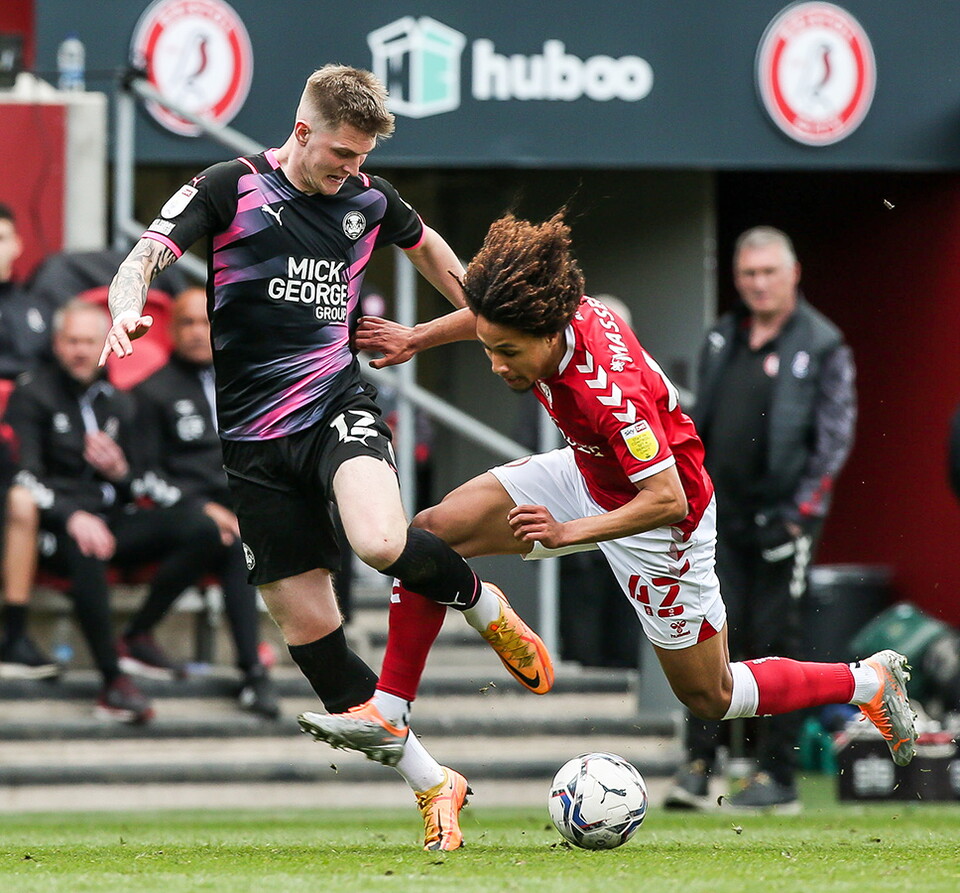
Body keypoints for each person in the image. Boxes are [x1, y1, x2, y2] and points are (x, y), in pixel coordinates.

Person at [301, 210, 916, 798]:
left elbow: (667, 498)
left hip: (662, 525)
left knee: (711, 695)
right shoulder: (545, 312)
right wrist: (418, 336)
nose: (495, 364)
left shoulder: (609, 395)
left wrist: (566, 533)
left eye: (508, 352)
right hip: (589, 472)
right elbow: (488, 319)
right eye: (492, 347)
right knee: (431, 533)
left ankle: (867, 681)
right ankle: (391, 710)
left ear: (547, 335)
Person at [98, 65, 553, 850]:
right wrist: (127, 308)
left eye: (362, 156)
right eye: (341, 152)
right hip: (253, 444)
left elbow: (443, 264)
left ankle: (483, 604)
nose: (351, 168)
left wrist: (474, 325)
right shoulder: (229, 186)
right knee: (312, 636)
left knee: (380, 540)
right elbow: (142, 257)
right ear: (302, 131)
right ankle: (433, 782)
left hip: (335, 407)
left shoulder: (370, 200)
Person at [663, 226, 858, 812]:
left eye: (769, 272)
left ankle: (778, 776)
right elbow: (695, 421)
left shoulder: (823, 344)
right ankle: (698, 767)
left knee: (777, 639)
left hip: (782, 522)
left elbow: (834, 438)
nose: (759, 283)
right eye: (748, 273)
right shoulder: (722, 336)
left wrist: (799, 517)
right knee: (704, 631)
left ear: (793, 274)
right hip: (718, 514)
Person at [2, 299, 232, 721]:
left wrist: (120, 472)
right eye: (72, 341)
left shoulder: (119, 401)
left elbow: (140, 481)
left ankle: (138, 635)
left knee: (201, 528)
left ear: (106, 345)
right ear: (56, 344)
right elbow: (23, 477)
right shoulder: (33, 393)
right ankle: (112, 681)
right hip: (57, 528)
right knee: (87, 544)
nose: (80, 351)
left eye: (90, 342)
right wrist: (72, 515)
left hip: (111, 519)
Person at [131, 286, 279, 717]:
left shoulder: (243, 384)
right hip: (177, 513)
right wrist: (199, 506)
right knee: (226, 538)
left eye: (206, 322)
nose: (198, 331)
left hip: (237, 510)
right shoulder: (150, 392)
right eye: (187, 323)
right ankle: (253, 671)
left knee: (250, 535)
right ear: (171, 330)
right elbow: (143, 475)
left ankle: (261, 670)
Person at [0, 203, 56, 678]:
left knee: (22, 502)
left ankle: (14, 635)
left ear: (17, 245)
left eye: (1, 239)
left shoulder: (37, 308)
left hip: (31, 444)